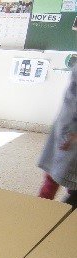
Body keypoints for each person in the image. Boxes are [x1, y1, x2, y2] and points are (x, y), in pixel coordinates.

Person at [37, 64, 77, 208]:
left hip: (70, 130)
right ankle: (39, 208)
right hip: (68, 128)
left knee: (65, 175)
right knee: (54, 175)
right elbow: (72, 100)